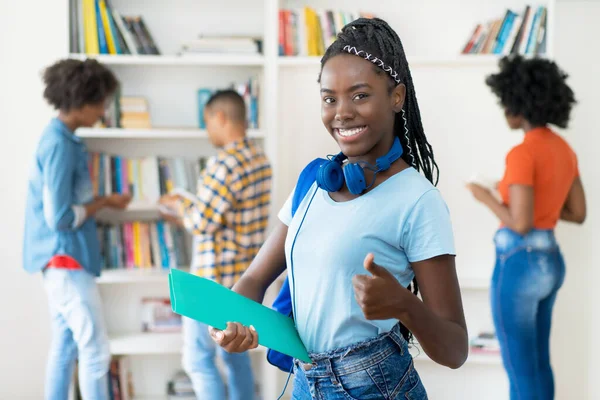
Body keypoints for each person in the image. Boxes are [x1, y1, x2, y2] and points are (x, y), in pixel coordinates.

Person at [208, 18, 468, 399]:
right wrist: (232, 321)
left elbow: (456, 349)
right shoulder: (314, 181)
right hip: (305, 381)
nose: (341, 112)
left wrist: (405, 305)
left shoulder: (418, 201)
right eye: (330, 99)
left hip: (374, 386)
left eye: (360, 95)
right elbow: (253, 279)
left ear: (397, 97)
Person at [467, 55, 586, 399]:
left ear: (519, 104)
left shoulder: (522, 153)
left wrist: (484, 196)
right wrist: (538, 207)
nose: (504, 109)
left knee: (519, 371)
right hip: (551, 261)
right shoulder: (565, 150)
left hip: (520, 263)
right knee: (538, 364)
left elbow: (519, 223)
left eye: (506, 102)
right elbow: (578, 212)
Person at [23, 58, 132, 400]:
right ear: (82, 101)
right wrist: (102, 204)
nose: (103, 111)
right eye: (100, 103)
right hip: (66, 261)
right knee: (96, 350)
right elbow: (60, 217)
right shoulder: (59, 144)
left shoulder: (62, 138)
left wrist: (102, 202)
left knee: (66, 345)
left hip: (58, 261)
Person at [159, 89, 272, 400]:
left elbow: (201, 222)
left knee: (197, 359)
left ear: (220, 118)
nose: (208, 130)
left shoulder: (225, 163)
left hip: (211, 282)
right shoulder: (260, 160)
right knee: (235, 357)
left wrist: (177, 205)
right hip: (241, 282)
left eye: (208, 122)